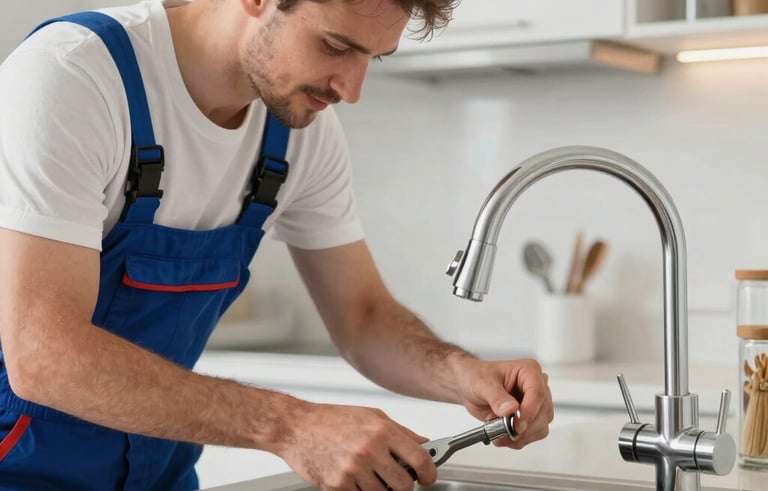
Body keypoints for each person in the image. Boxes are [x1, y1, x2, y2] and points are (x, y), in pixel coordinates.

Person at [0, 0, 554, 490]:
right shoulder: (74, 76)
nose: (351, 90)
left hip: (157, 470)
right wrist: (291, 426)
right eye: (336, 46)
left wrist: (460, 373)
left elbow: (362, 315)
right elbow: (44, 355)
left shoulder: (299, 138)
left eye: (372, 58)